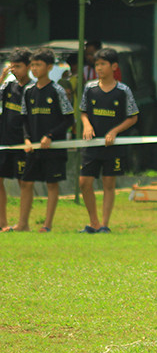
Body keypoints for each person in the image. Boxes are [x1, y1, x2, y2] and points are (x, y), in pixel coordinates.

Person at [79, 48, 139, 233]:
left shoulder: (123, 90)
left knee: (108, 183)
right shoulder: (90, 88)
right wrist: (86, 125)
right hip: (91, 145)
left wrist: (114, 131)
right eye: (96, 64)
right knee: (84, 182)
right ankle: (93, 222)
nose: (99, 68)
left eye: (103, 64)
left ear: (114, 67)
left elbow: (133, 117)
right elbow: (83, 112)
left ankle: (104, 225)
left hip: (113, 147)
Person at [17, 48, 75, 232]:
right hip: (33, 148)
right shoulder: (28, 91)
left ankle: (47, 224)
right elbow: (24, 119)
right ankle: (23, 224)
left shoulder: (57, 90)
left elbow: (69, 119)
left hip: (53, 148)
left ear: (49, 67)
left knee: (51, 184)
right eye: (32, 65)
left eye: (38, 65)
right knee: (26, 183)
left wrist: (50, 135)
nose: (34, 68)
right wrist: (27, 139)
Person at [0, 49, 32, 231]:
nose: (14, 71)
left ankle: (23, 224)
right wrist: (1, 79)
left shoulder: (33, 89)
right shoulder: (7, 86)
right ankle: (2, 222)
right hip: (4, 141)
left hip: (23, 143)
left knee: (24, 183)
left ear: (28, 66)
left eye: (18, 67)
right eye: (12, 67)